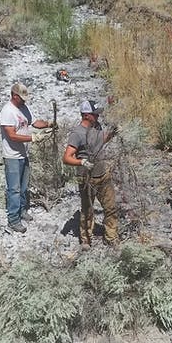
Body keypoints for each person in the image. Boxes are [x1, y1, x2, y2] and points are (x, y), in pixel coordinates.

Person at [63, 100, 119, 250]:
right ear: (87, 115)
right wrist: (82, 162)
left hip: (103, 174)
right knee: (87, 210)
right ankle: (86, 240)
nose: (97, 116)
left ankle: (111, 237)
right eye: (95, 114)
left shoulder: (97, 127)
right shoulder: (77, 133)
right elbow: (67, 157)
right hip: (87, 178)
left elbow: (101, 140)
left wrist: (113, 132)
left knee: (111, 207)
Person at [0, 82, 54, 233]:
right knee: (14, 189)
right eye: (21, 98)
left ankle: (22, 210)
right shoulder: (7, 111)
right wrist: (33, 138)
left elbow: (35, 122)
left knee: (23, 187)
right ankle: (13, 220)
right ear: (14, 96)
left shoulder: (23, 108)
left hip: (24, 154)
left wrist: (49, 123)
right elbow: (12, 136)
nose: (24, 101)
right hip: (12, 156)